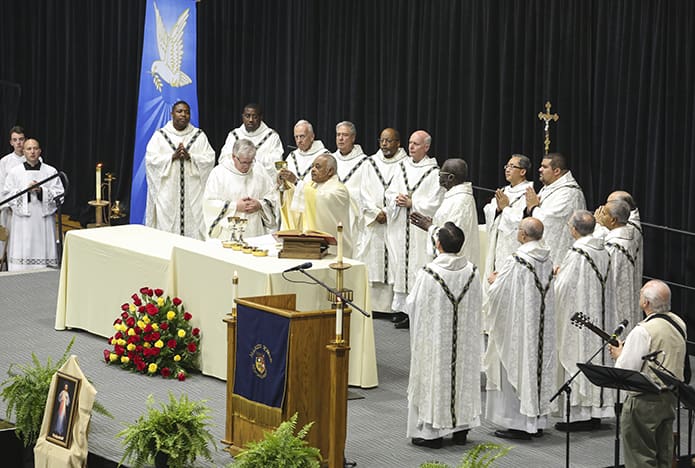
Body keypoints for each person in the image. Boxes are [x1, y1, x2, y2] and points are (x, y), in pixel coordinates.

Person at [405, 222, 482, 449]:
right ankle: (461, 430)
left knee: (435, 375)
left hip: (436, 340)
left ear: (438, 245)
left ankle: (432, 433)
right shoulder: (473, 272)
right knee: (462, 376)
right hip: (465, 340)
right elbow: (478, 303)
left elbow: (413, 304)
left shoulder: (429, 273)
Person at [485, 217, 556, 440]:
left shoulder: (518, 259)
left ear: (523, 235)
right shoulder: (547, 258)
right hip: (540, 326)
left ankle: (519, 424)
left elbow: (499, 293)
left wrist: (492, 281)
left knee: (518, 365)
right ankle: (538, 421)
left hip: (520, 327)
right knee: (537, 367)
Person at [609, 280, 686, 468]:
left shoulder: (642, 331)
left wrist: (619, 355)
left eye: (641, 294)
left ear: (646, 303)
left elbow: (626, 370)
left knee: (640, 457)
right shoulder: (678, 323)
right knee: (664, 455)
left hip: (644, 401)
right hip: (669, 397)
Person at [554, 210, 616, 431]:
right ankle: (597, 411)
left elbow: (563, 286)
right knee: (595, 357)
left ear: (573, 229)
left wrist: (555, 278)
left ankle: (579, 416)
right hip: (599, 314)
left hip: (581, 318)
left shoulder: (579, 251)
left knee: (578, 354)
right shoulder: (603, 250)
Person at [385, 130, 444, 328]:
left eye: (416, 144)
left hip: (419, 229)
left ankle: (417, 311)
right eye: (410, 143)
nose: (411, 147)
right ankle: (403, 310)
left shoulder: (434, 172)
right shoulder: (401, 166)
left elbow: (436, 201)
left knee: (418, 265)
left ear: (426, 147)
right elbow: (390, 191)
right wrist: (396, 199)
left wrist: (413, 202)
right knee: (401, 265)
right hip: (401, 225)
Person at [145, 101, 215, 240]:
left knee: (195, 224)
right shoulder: (160, 136)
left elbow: (209, 159)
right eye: (180, 111)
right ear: (172, 114)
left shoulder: (199, 136)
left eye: (187, 112)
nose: (184, 115)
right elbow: (151, 160)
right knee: (167, 230)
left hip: (193, 192)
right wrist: (171, 157)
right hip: (168, 193)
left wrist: (191, 157)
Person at [358, 128, 408, 315]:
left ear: (398, 143)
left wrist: (388, 212)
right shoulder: (370, 163)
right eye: (382, 141)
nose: (385, 144)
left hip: (395, 221)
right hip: (375, 221)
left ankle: (395, 308)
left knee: (395, 261)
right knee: (374, 260)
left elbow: (405, 191)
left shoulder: (406, 164)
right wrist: (375, 212)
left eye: (389, 141)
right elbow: (363, 192)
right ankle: (375, 306)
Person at [3, 138, 64, 271]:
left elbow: (60, 194)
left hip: (44, 220)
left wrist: (42, 191)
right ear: (23, 152)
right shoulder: (15, 172)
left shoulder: (50, 171)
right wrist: (26, 192)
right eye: (29, 149)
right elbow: (7, 194)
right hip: (22, 222)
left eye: (35, 148)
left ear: (40, 151)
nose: (32, 152)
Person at [203, 138, 278, 240]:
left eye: (250, 162)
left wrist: (260, 204)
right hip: (228, 234)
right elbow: (209, 204)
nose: (247, 166)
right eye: (243, 162)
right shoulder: (219, 173)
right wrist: (235, 206)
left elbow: (272, 196)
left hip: (255, 232)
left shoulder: (259, 170)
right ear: (234, 157)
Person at [410, 158, 480, 265]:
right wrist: (435, 222)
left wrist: (429, 227)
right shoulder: (453, 197)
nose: (439, 176)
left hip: (454, 265)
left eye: (441, 173)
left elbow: (453, 239)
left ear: (450, 177)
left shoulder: (461, 202)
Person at [524, 152, 586, 267]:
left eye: (544, 167)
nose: (539, 169)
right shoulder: (549, 188)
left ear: (556, 171)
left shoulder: (569, 193)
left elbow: (550, 220)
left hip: (559, 255)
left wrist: (533, 207)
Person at [288, 153, 352, 257]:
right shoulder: (312, 186)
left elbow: (321, 198)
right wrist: (285, 186)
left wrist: (296, 182)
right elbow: (298, 200)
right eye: (312, 166)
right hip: (310, 247)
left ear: (330, 171)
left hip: (334, 250)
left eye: (318, 167)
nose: (312, 170)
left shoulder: (339, 190)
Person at [482, 154, 534, 278]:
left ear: (523, 171)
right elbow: (488, 209)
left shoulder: (528, 192)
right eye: (507, 166)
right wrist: (498, 209)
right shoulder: (504, 191)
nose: (507, 169)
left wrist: (505, 208)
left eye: (512, 166)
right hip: (498, 240)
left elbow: (521, 221)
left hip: (513, 244)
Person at [596, 199, 641, 328]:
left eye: (603, 214)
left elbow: (606, 273)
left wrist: (598, 228)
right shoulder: (627, 235)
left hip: (614, 298)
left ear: (613, 220)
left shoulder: (615, 245)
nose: (598, 216)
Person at [219, 103, 284, 179]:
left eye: (255, 116)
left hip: (262, 182)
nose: (251, 120)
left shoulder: (272, 137)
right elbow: (223, 159)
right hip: (237, 181)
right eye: (247, 116)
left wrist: (250, 160)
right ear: (242, 117)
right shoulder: (234, 135)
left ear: (261, 117)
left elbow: (277, 162)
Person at [332, 121, 367, 253]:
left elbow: (367, 192)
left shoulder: (364, 162)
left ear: (353, 138)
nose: (340, 138)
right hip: (332, 213)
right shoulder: (329, 159)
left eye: (345, 135)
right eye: (338, 135)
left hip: (353, 216)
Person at [0, 126, 27, 263]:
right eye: (15, 140)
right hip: (10, 208)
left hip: (28, 208)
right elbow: (2, 185)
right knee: (7, 238)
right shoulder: (5, 162)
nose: (18, 143)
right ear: (11, 142)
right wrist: (8, 203)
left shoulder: (35, 160)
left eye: (21, 139)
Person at [278, 120, 326, 184]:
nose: (299, 141)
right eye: (296, 137)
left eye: (302, 136)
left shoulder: (324, 156)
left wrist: (296, 181)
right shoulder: (292, 156)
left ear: (312, 137)